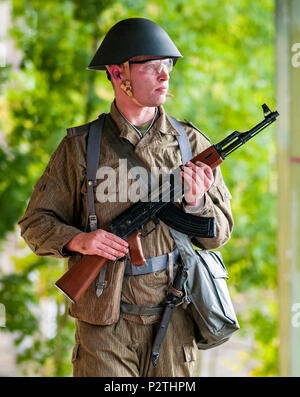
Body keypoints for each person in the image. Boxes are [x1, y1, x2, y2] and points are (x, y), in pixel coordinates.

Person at [18, 18, 233, 377]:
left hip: (174, 315)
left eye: (167, 66)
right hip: (104, 323)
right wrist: (81, 241)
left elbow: (221, 232)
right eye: (151, 67)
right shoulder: (80, 148)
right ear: (119, 74)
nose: (164, 76)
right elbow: (34, 224)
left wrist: (196, 202)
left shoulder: (192, 145)